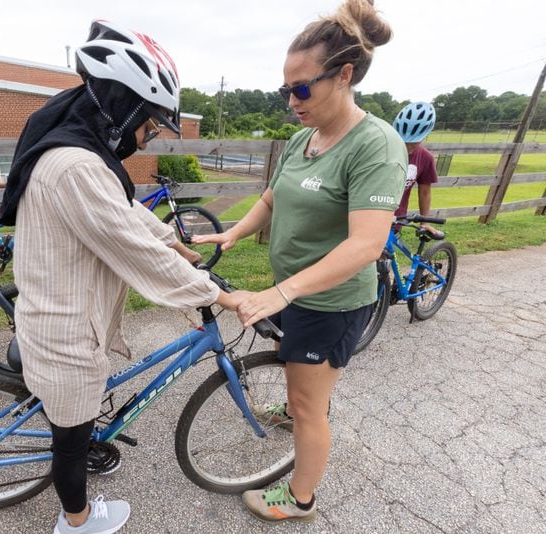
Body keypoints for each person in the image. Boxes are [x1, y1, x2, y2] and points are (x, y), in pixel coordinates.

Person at [0, 20, 246, 534]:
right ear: (122, 105)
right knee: (71, 444)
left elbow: (129, 215)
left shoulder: (83, 154)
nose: (149, 135)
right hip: (64, 330)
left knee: (77, 430)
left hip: (64, 316)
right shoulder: (76, 167)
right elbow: (134, 251)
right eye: (150, 123)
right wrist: (222, 296)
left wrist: (176, 243)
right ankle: (77, 521)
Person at [194, 0, 407, 522]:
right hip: (292, 289)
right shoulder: (301, 138)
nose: (291, 100)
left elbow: (366, 245)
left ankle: (301, 498)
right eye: (284, 89)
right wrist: (234, 233)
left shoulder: (375, 146)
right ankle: (290, 406)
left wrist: (282, 292)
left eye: (302, 88)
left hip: (330, 302)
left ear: (345, 75)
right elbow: (272, 196)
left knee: (313, 404)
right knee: (296, 379)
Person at [393, 101, 444, 237]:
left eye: (412, 144)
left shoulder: (425, 157)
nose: (406, 148)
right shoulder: (380, 149)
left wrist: (425, 221)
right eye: (402, 142)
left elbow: (425, 192)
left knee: (386, 256)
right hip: (369, 217)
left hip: (396, 219)